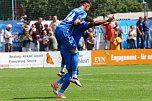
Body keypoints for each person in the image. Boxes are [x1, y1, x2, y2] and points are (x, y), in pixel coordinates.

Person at [52, 16, 109, 99]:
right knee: (71, 73)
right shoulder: (82, 25)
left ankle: (57, 84)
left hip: (66, 47)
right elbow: (94, 23)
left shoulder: (74, 24)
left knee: (71, 72)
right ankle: (60, 91)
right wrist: (106, 21)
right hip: (69, 49)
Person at [52, 0, 92, 98]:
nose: (88, 9)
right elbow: (79, 22)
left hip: (62, 39)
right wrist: (105, 21)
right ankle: (67, 83)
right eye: (89, 7)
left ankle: (58, 82)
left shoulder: (74, 10)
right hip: (67, 45)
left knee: (72, 69)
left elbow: (73, 22)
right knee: (75, 55)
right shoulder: (83, 19)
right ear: (86, 5)